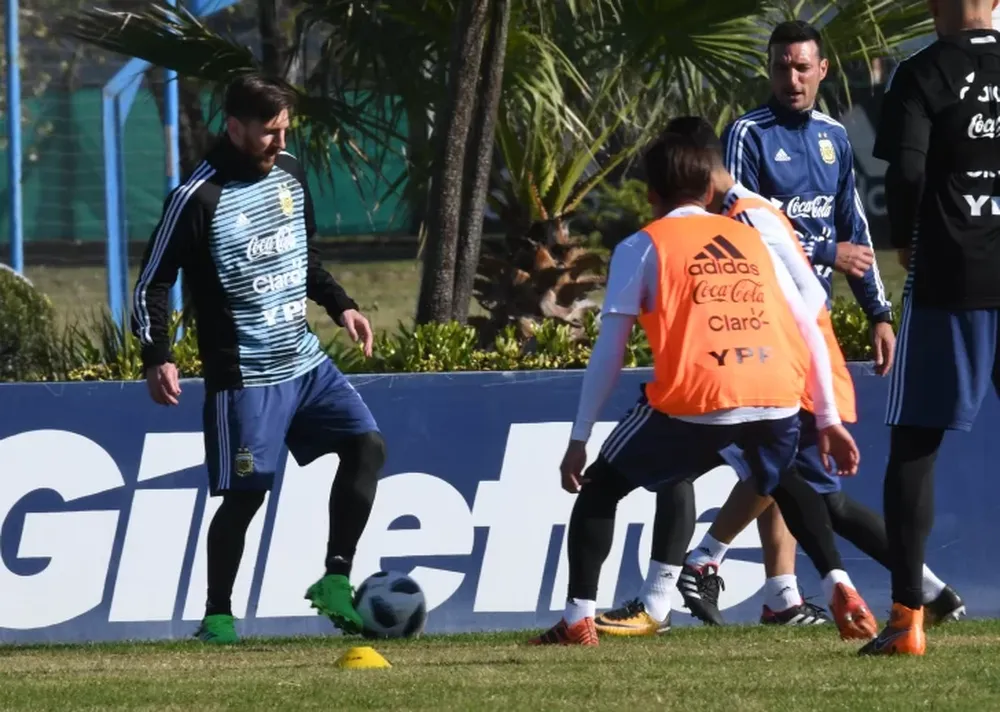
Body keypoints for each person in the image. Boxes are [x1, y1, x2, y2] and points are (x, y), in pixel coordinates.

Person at [594, 117, 963, 637]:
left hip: (784, 368)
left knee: (778, 481)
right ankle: (814, 591)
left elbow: (808, 297)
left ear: (697, 168)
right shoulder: (735, 213)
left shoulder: (745, 215)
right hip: (772, 367)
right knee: (787, 482)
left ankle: (690, 575)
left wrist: (825, 285)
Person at [528, 126, 875, 647]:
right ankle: (839, 583)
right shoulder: (752, 236)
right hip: (776, 392)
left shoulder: (642, 245)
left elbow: (610, 352)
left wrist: (579, 438)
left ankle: (578, 617)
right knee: (782, 480)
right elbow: (807, 323)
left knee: (601, 486)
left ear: (650, 194)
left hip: (697, 395)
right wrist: (826, 419)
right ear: (709, 190)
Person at [130, 74, 386, 644]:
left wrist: (341, 305)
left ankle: (336, 580)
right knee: (246, 496)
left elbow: (303, 257)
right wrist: (158, 355)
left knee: (368, 446)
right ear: (234, 126)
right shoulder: (196, 198)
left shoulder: (291, 174)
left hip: (305, 362)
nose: (279, 142)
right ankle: (218, 615)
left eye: (284, 131)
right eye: (268, 132)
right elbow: (152, 282)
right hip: (244, 376)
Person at [688, 19, 897, 623]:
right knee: (784, 453)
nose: (792, 78)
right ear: (770, 69)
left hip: (814, 321)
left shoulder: (833, 138)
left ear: (822, 70)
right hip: (759, 320)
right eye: (782, 66)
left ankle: (779, 593)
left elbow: (854, 231)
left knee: (787, 454)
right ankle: (704, 561)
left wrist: (879, 313)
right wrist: (828, 252)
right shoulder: (747, 134)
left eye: (803, 67)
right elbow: (739, 226)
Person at [861, 0, 1000, 657]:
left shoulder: (922, 72)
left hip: (952, 277)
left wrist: (905, 243)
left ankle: (907, 620)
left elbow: (908, 172)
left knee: (915, 444)